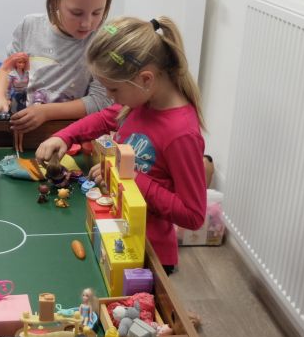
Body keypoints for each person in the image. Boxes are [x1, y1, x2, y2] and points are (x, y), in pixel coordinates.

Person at [35, 16, 207, 273]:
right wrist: (64, 136)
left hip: (147, 255)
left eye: (113, 90)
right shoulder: (143, 101)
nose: (109, 97)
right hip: (117, 232)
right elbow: (106, 117)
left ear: (146, 79)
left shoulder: (181, 133)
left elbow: (193, 215)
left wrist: (128, 176)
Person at [0, 0, 114, 134]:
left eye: (97, 12)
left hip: (72, 133)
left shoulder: (103, 42)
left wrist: (46, 112)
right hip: (27, 128)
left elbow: (99, 101)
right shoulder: (29, 26)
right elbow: (8, 69)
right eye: (76, 13)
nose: (87, 23)